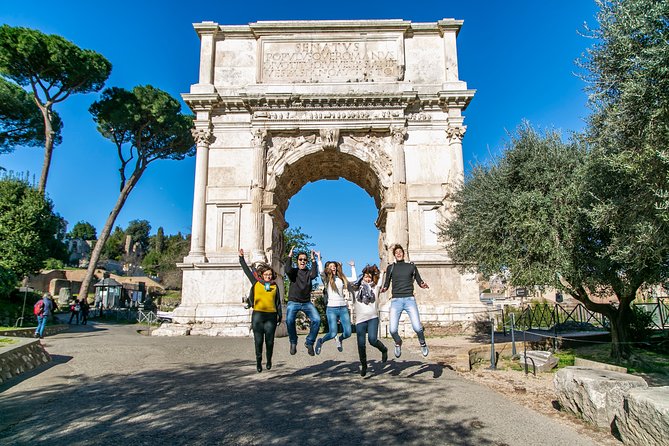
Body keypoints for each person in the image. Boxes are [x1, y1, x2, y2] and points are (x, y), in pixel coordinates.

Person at [381, 244, 430, 358]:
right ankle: (398, 342)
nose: (398, 253)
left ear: (404, 253)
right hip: (396, 300)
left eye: (400, 252)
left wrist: (423, 285)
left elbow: (419, 280)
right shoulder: (391, 267)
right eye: (396, 252)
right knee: (392, 330)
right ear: (394, 255)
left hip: (409, 300)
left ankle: (422, 343)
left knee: (417, 327)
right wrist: (383, 289)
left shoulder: (411, 266)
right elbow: (387, 284)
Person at [239, 249, 282, 373]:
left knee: (269, 341)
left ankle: (268, 360)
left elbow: (278, 302)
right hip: (258, 315)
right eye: (266, 274)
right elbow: (247, 271)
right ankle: (258, 361)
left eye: (270, 275)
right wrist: (241, 258)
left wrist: (279, 316)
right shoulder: (256, 283)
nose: (268, 276)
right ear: (262, 275)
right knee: (258, 341)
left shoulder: (274, 286)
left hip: (271, 316)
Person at [351, 264, 388, 376]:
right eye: (365, 277)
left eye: (369, 277)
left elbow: (380, 281)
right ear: (362, 277)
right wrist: (353, 267)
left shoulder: (375, 288)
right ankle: (364, 365)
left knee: (372, 340)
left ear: (372, 278)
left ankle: (384, 349)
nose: (367, 279)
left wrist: (382, 272)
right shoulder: (356, 290)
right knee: (361, 344)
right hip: (360, 320)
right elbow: (349, 282)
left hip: (373, 318)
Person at [315, 256, 356, 355]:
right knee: (333, 333)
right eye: (330, 266)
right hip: (331, 309)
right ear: (328, 268)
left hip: (343, 308)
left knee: (348, 333)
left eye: (334, 266)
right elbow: (321, 272)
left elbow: (354, 279)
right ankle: (321, 341)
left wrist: (353, 267)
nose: (333, 267)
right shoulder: (327, 279)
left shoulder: (341, 278)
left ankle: (340, 339)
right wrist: (319, 260)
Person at [284, 246, 320, 356]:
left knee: (317, 320)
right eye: (300, 259)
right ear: (297, 261)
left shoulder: (309, 273)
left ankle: (309, 342)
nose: (302, 261)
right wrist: (290, 255)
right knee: (289, 321)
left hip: (306, 302)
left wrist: (313, 259)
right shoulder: (293, 272)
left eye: (304, 260)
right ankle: (293, 342)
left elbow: (314, 274)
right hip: (293, 301)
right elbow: (287, 269)